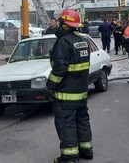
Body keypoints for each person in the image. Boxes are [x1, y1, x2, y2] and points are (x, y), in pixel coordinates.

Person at [47, 9, 93, 163]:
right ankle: (86, 150)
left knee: (66, 124)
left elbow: (59, 70)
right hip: (81, 93)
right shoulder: (83, 41)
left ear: (64, 24)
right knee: (82, 120)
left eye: (60, 22)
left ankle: (70, 156)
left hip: (66, 95)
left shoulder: (63, 42)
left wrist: (50, 87)